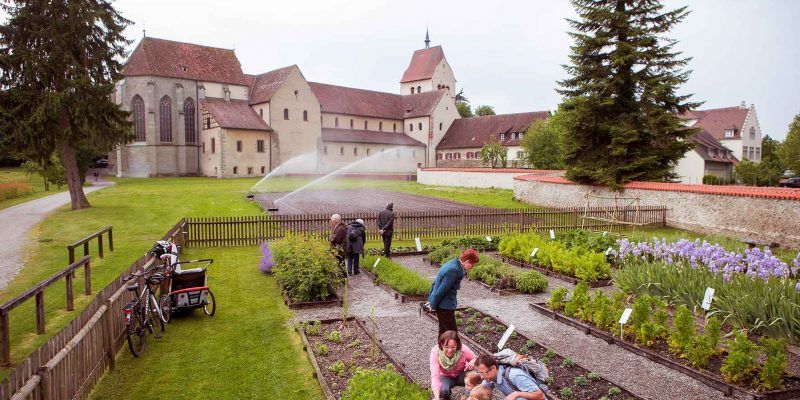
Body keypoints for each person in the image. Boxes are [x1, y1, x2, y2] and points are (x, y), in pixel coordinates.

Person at [428, 248, 479, 335]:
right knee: (452, 335)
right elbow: (442, 290)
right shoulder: (454, 270)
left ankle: (442, 348)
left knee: (443, 332)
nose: (472, 267)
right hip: (445, 306)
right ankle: (452, 348)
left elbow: (435, 282)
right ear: (467, 261)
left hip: (442, 305)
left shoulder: (452, 263)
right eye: (472, 264)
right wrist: (432, 304)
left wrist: (431, 299)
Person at [429, 330, 476, 400]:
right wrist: (436, 397)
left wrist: (473, 362)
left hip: (461, 374)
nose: (450, 350)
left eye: (453, 347)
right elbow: (435, 375)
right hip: (445, 376)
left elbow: (475, 358)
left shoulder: (463, 349)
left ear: (457, 345)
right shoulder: (435, 352)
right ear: (441, 345)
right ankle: (447, 397)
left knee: (476, 379)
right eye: (446, 347)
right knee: (443, 390)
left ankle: (470, 396)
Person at [475, 353, 544, 400]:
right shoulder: (491, 377)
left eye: (483, 373)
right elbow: (478, 391)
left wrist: (517, 394)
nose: (481, 377)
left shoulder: (515, 375)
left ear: (493, 368)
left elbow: (540, 395)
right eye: (480, 374)